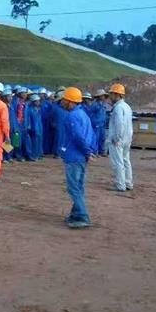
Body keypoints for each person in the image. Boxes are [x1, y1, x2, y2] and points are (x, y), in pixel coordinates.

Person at [60, 87, 95, 228]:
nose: (62, 102)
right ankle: (75, 214)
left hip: (75, 156)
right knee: (78, 187)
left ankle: (82, 216)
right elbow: (91, 134)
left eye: (64, 100)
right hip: (81, 156)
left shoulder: (72, 116)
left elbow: (77, 137)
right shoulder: (83, 114)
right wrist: (90, 151)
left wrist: (87, 152)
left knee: (73, 187)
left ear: (71, 101)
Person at [108, 83, 134, 192]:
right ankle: (128, 183)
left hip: (118, 139)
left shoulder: (118, 108)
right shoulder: (127, 107)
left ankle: (120, 185)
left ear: (117, 94)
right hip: (127, 138)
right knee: (126, 161)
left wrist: (116, 137)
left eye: (111, 94)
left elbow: (119, 124)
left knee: (118, 162)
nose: (110, 96)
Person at [24, 94, 44, 160]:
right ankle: (33, 155)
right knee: (33, 142)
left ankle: (38, 154)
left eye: (38, 101)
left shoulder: (38, 109)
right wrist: (29, 127)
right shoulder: (30, 110)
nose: (38, 102)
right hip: (33, 128)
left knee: (39, 142)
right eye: (36, 101)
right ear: (33, 102)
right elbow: (28, 119)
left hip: (39, 128)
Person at [91, 89, 109, 156]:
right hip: (96, 124)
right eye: (102, 96)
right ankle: (95, 151)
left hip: (102, 124)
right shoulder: (95, 105)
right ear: (99, 96)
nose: (103, 97)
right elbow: (90, 113)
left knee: (102, 138)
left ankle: (101, 151)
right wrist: (94, 122)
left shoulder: (103, 104)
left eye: (104, 96)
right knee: (96, 138)